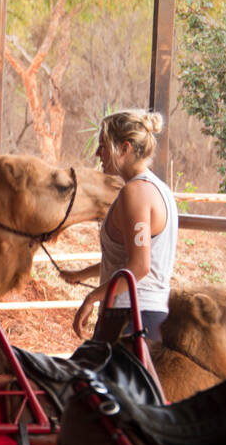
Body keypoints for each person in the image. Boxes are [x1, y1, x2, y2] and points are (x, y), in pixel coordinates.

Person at [61, 109, 177, 342]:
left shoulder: (135, 193)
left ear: (124, 148)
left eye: (103, 146)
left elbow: (139, 266)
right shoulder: (157, 188)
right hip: (147, 316)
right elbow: (129, 259)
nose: (98, 153)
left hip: (131, 317)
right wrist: (81, 274)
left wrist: (92, 297)